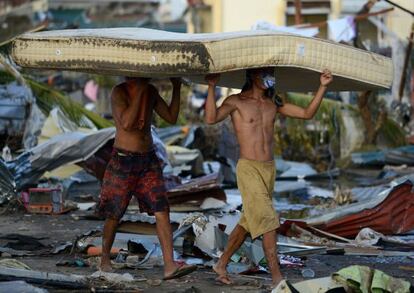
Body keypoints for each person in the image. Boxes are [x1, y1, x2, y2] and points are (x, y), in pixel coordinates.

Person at [204, 68, 333, 287]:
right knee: (269, 221)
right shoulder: (237, 101)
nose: (269, 78)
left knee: (248, 222)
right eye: (264, 73)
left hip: (269, 170)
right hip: (248, 169)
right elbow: (210, 118)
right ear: (252, 76)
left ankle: (221, 264)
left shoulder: (274, 103)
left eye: (271, 74)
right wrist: (211, 86)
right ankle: (276, 277)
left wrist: (323, 86)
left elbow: (306, 113)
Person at [97, 76, 196, 280]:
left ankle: (169, 265)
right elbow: (127, 123)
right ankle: (104, 259)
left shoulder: (150, 91)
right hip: (123, 160)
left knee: (162, 210)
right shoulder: (119, 92)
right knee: (114, 213)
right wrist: (141, 88)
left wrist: (176, 87)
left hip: (148, 160)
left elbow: (170, 117)